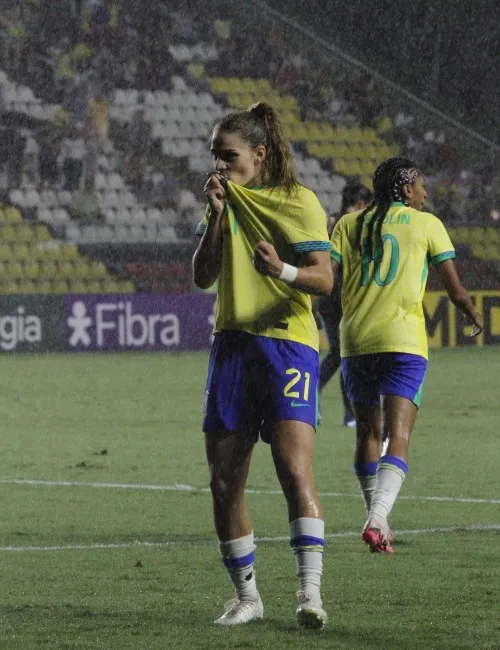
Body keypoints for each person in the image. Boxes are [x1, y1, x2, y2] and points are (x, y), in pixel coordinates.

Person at [193, 102, 333, 628]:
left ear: (259, 153)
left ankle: (309, 594)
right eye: (214, 156)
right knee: (225, 481)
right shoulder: (225, 201)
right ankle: (248, 597)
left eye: (228, 156)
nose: (219, 165)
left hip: (287, 346)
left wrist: (283, 270)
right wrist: (214, 218)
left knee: (294, 470)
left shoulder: (299, 202)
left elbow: (323, 279)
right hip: (231, 346)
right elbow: (203, 276)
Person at [330, 157, 483, 553]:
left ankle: (376, 519)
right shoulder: (427, 224)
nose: (426, 193)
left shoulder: (348, 225)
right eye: (421, 186)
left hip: (356, 341)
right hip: (403, 341)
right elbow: (455, 290)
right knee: (398, 434)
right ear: (405, 189)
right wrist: (472, 312)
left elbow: (326, 278)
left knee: (366, 432)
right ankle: (378, 518)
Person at [317, 182, 373, 427]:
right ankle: (347, 412)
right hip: (340, 297)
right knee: (344, 353)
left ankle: (338, 407)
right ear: (361, 204)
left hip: (330, 297)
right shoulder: (352, 225)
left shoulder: (330, 222)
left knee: (341, 354)